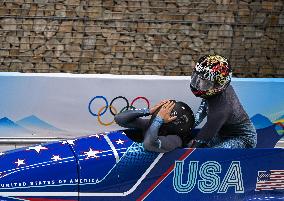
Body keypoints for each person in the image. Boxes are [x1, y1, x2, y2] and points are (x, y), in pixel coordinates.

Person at [189, 54, 257, 148]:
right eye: (197, 78)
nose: (198, 84)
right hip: (221, 132)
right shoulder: (217, 91)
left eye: (205, 83)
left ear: (218, 86)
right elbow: (200, 114)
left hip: (243, 139)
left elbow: (199, 142)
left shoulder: (220, 111)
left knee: (210, 153)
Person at [114, 100, 195, 153]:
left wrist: (159, 120)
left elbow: (148, 144)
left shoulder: (176, 139)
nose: (159, 113)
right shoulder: (153, 123)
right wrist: (147, 111)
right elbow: (119, 119)